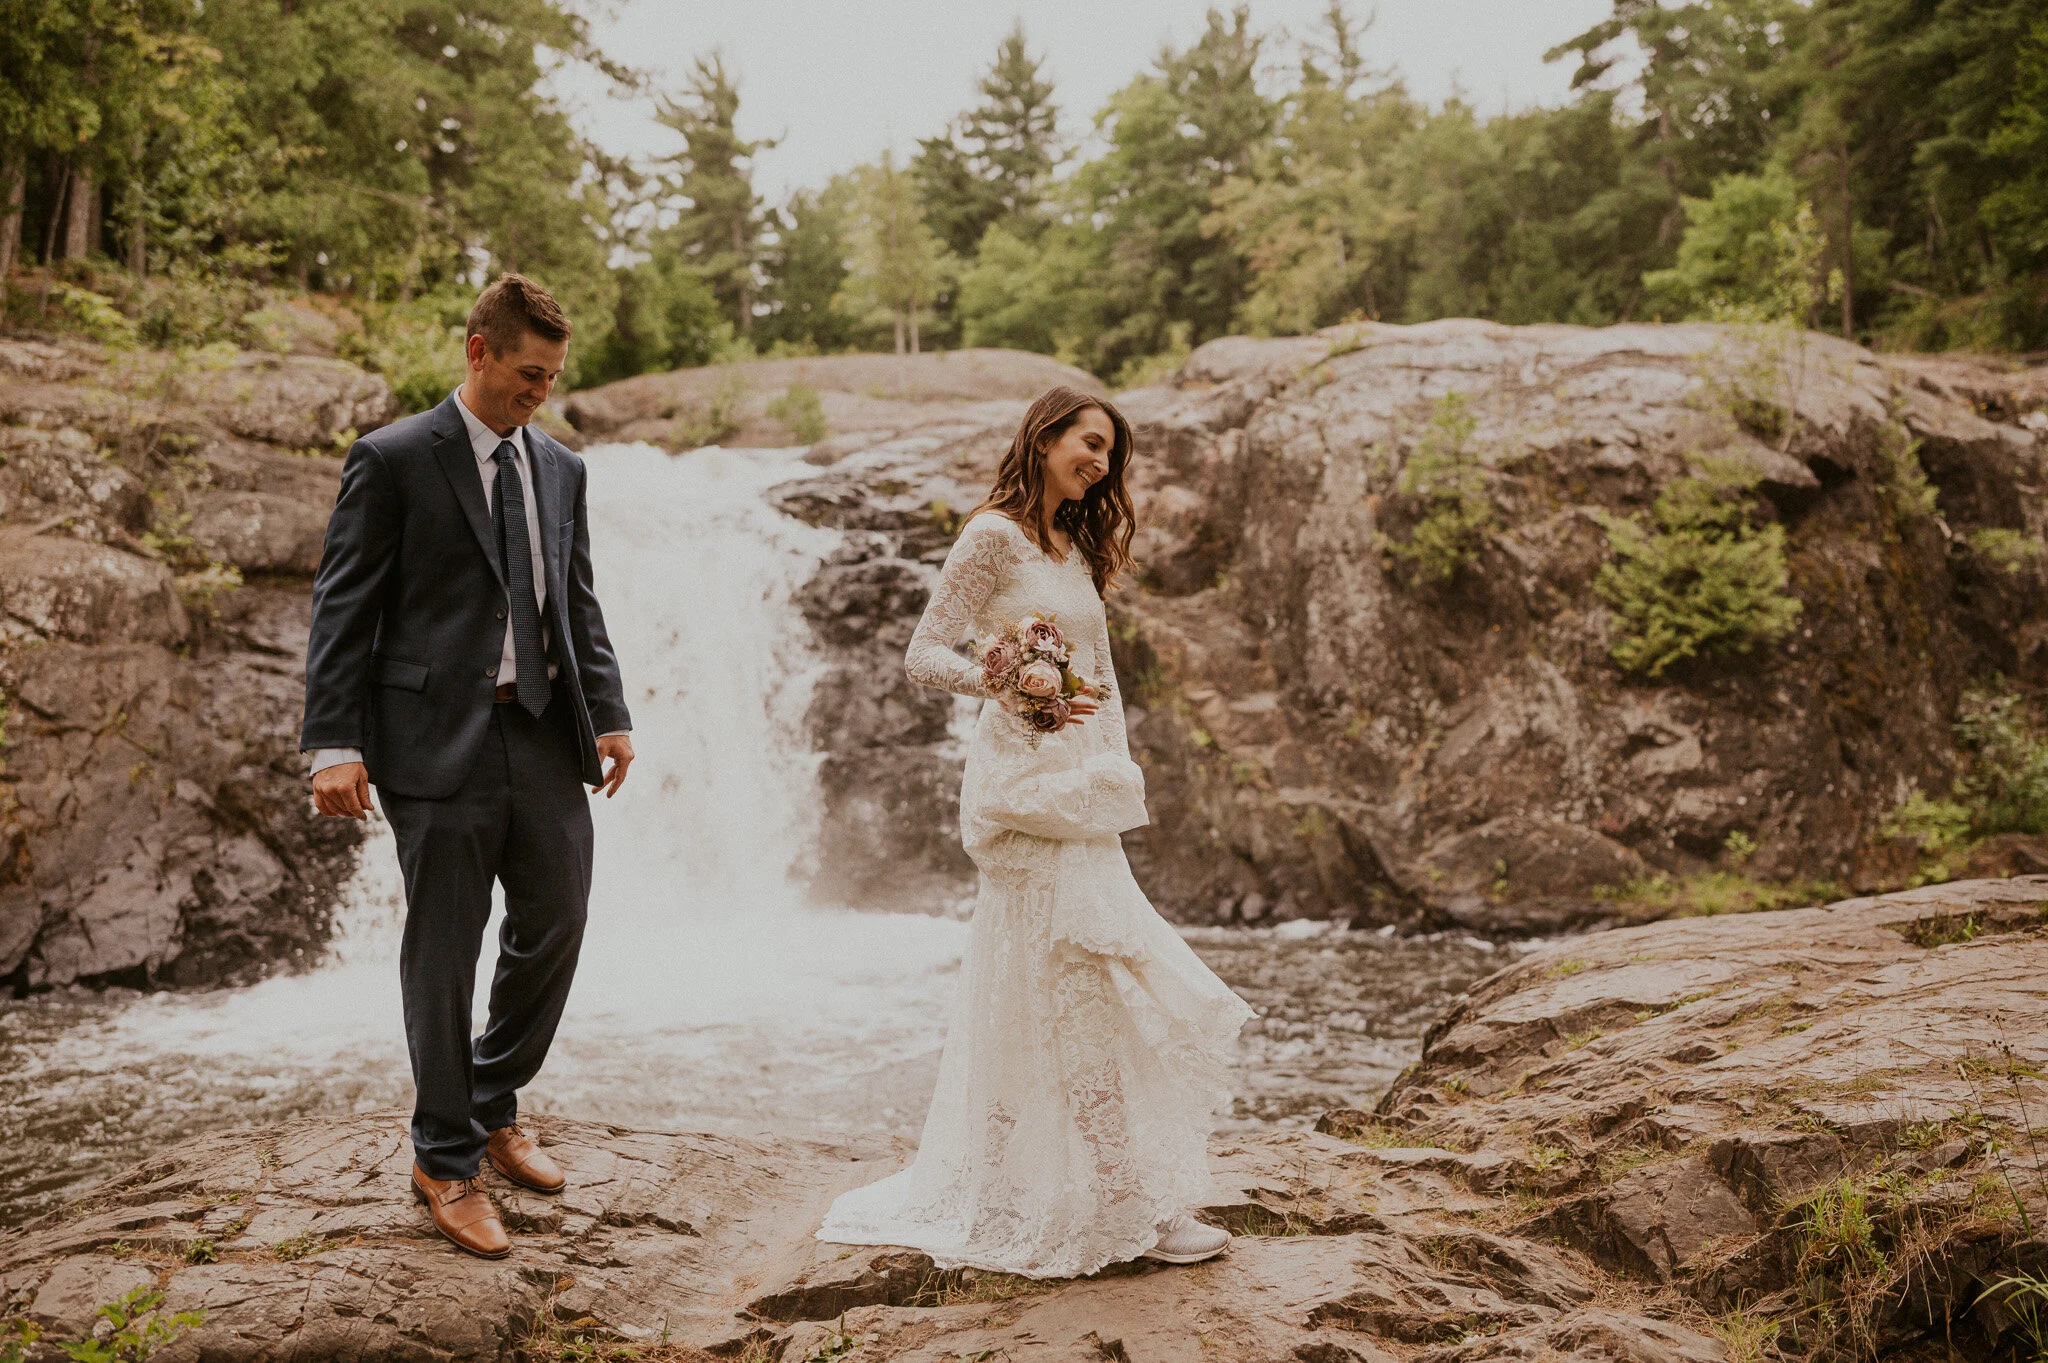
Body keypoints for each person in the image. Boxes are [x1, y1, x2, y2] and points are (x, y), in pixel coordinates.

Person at [816, 386, 1254, 1277]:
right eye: (1089, 442)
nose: (1100, 462)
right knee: (1071, 977)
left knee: (1056, 977)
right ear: (1044, 437)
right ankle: (1127, 1199)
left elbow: (1104, 676)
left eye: (1110, 453)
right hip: (1020, 787)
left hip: (1081, 789)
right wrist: (1007, 681)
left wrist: (1115, 776)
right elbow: (924, 652)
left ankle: (1028, 1180)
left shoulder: (1077, 548)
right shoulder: (991, 536)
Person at [300, 273, 634, 1259]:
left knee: (558, 921)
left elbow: (576, 602)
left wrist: (610, 713)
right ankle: (444, 1159)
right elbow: (342, 606)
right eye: (529, 373)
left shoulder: (562, 467)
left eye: (554, 377)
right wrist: (333, 743)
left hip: (542, 730)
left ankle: (490, 1101)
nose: (541, 391)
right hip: (430, 739)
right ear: (478, 351)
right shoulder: (394, 457)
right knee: (445, 950)